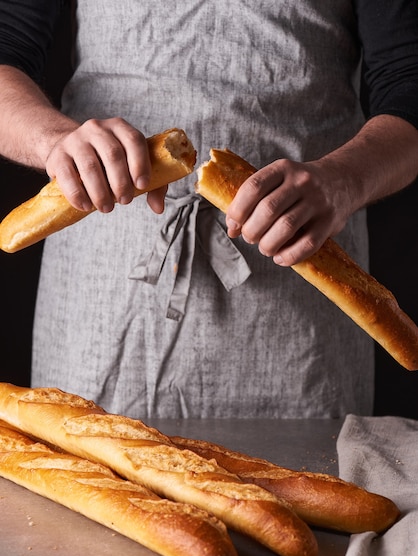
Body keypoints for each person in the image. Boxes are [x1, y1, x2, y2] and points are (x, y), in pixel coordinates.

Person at [0, 0, 417, 420]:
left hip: (297, 280)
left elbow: (408, 82)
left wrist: (345, 180)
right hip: (104, 280)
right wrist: (54, 142)